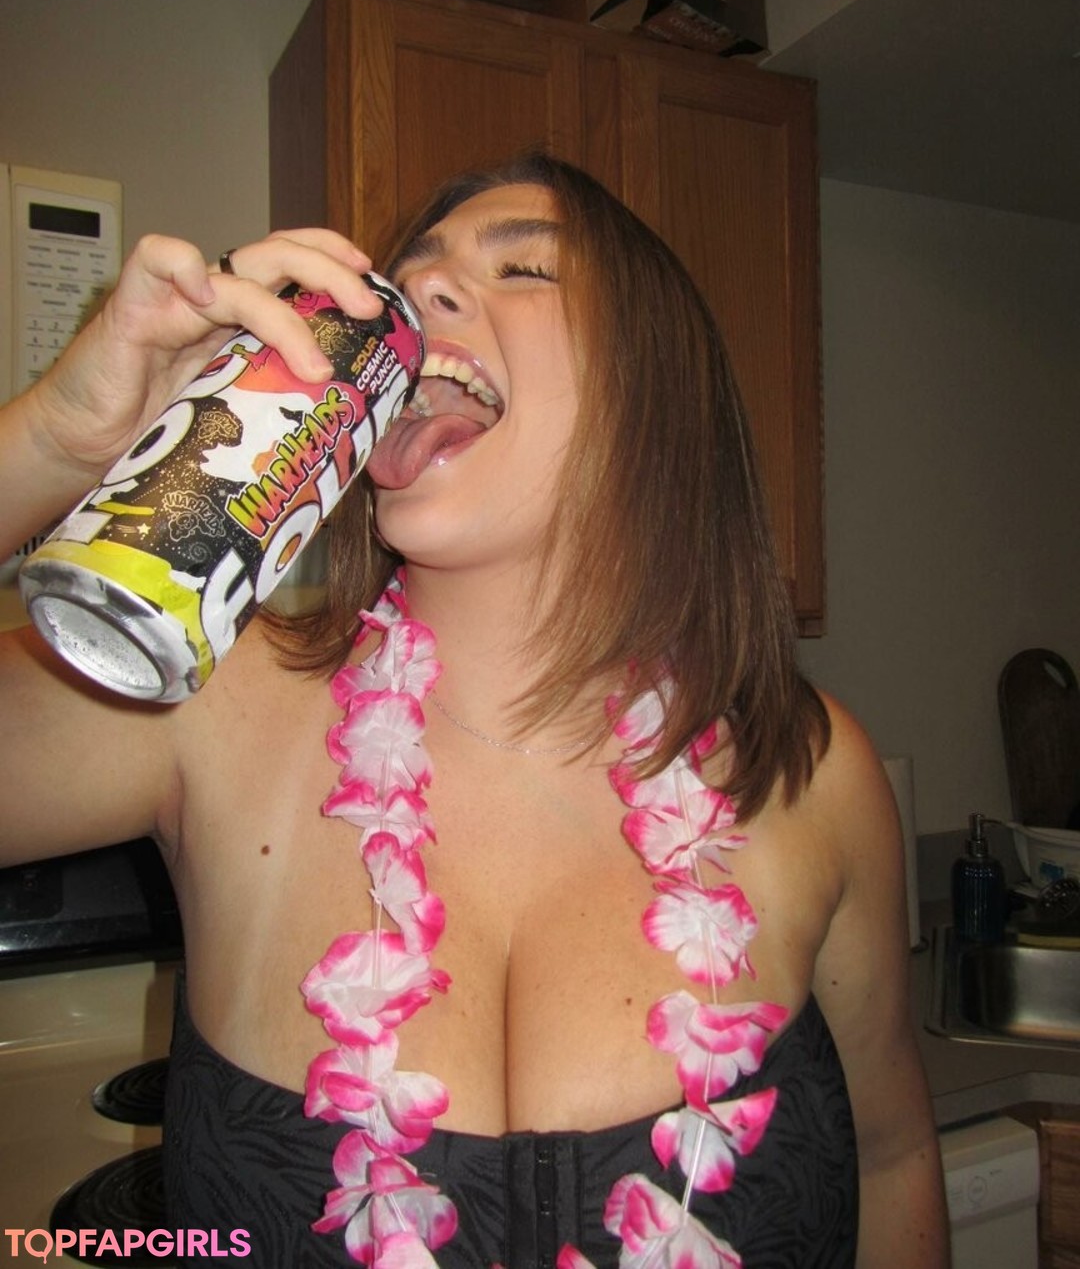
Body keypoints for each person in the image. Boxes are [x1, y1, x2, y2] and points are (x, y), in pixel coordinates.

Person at [0, 153, 949, 1268]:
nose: (423, 289)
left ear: (658, 384)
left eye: (525, 268)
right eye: (412, 274)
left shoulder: (814, 774)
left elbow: (892, 1156)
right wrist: (59, 436)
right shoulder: (211, 705)